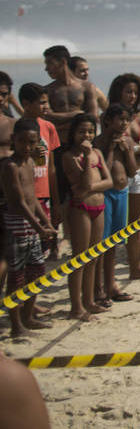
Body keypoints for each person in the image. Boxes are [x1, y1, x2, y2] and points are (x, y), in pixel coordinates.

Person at [1, 119, 57, 336]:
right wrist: (39, 226)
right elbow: (18, 202)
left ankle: (28, 316)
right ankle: (16, 325)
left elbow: (32, 198)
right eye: (22, 141)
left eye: (31, 142)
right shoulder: (10, 166)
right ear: (13, 140)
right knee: (16, 277)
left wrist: (46, 222)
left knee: (36, 272)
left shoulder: (30, 162)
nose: (27, 146)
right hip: (17, 225)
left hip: (31, 224)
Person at [62, 113, 112, 320]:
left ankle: (89, 300)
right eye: (82, 131)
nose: (87, 135)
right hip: (80, 208)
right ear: (73, 133)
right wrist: (85, 158)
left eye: (91, 131)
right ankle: (76, 306)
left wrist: (90, 187)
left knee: (93, 257)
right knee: (79, 258)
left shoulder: (97, 153)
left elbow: (109, 182)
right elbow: (83, 183)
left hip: (99, 206)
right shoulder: (69, 156)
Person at [108, 73, 140, 282]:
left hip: (139, 172)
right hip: (119, 174)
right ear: (119, 92)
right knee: (114, 229)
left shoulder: (139, 115)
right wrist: (135, 148)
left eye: (136, 93)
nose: (132, 96)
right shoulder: (110, 116)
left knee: (135, 225)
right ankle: (109, 276)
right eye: (128, 91)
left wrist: (132, 148)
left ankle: (135, 268)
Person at [94, 104, 137, 306]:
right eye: (120, 119)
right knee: (101, 244)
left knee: (113, 243)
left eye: (127, 120)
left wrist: (127, 151)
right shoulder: (100, 142)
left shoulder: (127, 141)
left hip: (122, 192)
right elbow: (105, 171)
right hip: (105, 194)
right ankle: (98, 288)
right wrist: (111, 149)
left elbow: (132, 171)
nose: (124, 123)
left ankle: (111, 285)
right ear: (108, 121)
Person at [17, 85, 60, 261]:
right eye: (41, 103)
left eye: (46, 102)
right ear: (26, 104)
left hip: (44, 196)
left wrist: (56, 202)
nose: (46, 106)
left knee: (41, 250)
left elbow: (51, 168)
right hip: (24, 197)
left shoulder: (48, 127)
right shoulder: (17, 129)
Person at [43, 45, 98, 143]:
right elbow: (47, 116)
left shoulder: (87, 87)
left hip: (83, 143)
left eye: (50, 63)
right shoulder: (47, 90)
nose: (46, 69)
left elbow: (93, 117)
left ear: (63, 61)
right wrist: (76, 114)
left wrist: (60, 124)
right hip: (58, 144)